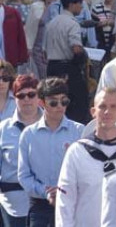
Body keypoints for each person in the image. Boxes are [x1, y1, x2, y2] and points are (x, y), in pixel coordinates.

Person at [55, 88, 116, 226]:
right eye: (102, 106)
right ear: (93, 112)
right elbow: (65, 202)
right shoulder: (77, 152)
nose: (107, 112)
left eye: (113, 107)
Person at [17, 78, 85, 227]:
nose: (60, 106)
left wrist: (66, 192)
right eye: (53, 102)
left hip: (73, 204)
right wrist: (46, 192)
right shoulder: (28, 135)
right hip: (40, 206)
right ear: (41, 103)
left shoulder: (80, 131)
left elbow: (87, 170)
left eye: (64, 101)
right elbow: (24, 175)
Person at [43, 0, 90, 124]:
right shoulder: (72, 24)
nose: (81, 7)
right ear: (72, 4)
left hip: (52, 68)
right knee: (76, 107)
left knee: (54, 103)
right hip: (68, 69)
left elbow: (44, 53)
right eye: (80, 3)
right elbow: (76, 49)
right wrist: (79, 62)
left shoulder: (51, 23)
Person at [0, 75, 41, 226]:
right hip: (13, 205)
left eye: (31, 94)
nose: (27, 100)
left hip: (47, 203)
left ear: (39, 97)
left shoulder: (53, 125)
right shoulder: (3, 129)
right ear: (14, 98)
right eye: (21, 95)